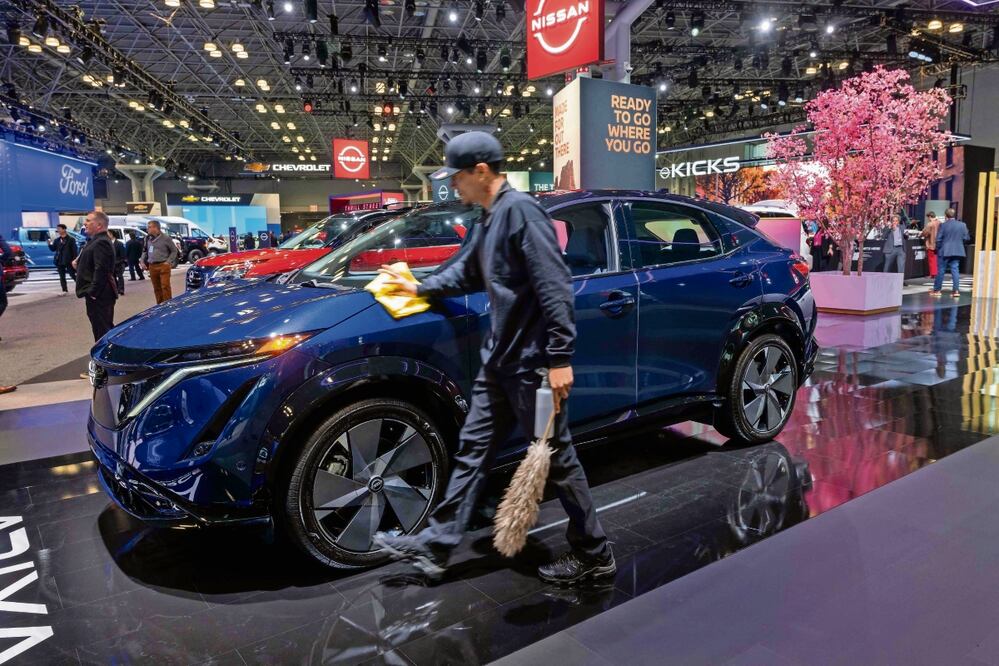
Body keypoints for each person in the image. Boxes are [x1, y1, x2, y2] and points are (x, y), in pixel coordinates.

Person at [373, 131, 614, 586]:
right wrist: (417, 288)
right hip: (499, 366)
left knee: (557, 458)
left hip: (533, 369)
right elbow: (467, 271)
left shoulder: (523, 214)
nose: (453, 187)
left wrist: (560, 357)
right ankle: (436, 545)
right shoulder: (487, 218)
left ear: (480, 171)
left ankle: (595, 552)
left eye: (457, 178)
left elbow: (555, 287)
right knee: (472, 452)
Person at [75, 211, 118, 341]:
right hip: (98, 294)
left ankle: (106, 358)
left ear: (99, 225)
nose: (85, 223)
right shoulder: (95, 240)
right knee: (100, 328)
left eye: (88, 221)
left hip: (100, 295)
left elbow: (102, 269)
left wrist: (93, 292)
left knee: (103, 330)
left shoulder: (102, 242)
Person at [931, 208, 971, 298]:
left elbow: (938, 239)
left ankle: (937, 290)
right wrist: (959, 243)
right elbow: (967, 238)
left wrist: (938, 249)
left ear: (946, 216)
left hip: (944, 251)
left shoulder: (943, 225)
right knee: (955, 270)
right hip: (957, 250)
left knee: (941, 270)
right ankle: (956, 291)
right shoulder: (962, 225)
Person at [140, 219, 179, 304]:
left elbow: (174, 251)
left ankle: (168, 305)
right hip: (152, 266)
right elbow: (145, 251)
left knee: (165, 286)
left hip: (163, 265)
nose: (148, 229)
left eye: (149, 227)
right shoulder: (147, 238)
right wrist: (142, 261)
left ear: (156, 228)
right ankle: (159, 305)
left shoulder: (166, 238)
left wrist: (168, 262)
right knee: (156, 288)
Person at [48, 224, 78, 295]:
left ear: (64, 229)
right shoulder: (57, 240)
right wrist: (49, 244)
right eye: (57, 229)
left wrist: (75, 260)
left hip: (68, 260)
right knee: (62, 276)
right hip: (59, 260)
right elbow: (53, 249)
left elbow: (74, 251)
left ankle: (82, 286)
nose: (58, 230)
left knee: (72, 275)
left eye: (59, 228)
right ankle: (64, 290)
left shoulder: (71, 239)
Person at [922, 212, 941, 279]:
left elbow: (924, 233)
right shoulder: (940, 223)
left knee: (931, 260)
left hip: (931, 244)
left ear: (930, 217)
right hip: (939, 244)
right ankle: (937, 273)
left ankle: (933, 274)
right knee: (937, 260)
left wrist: (921, 234)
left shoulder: (930, 224)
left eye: (928, 217)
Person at [108, 231, 126, 296]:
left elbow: (123, 255)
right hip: (111, 264)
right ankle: (116, 289)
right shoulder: (108, 244)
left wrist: (119, 261)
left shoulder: (119, 244)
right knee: (113, 277)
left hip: (119, 264)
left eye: (109, 234)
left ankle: (121, 289)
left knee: (120, 276)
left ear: (112, 235)